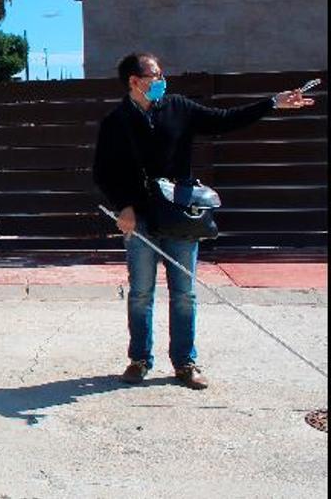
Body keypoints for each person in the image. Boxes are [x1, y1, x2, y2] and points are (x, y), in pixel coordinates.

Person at [92, 52, 314, 390]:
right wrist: (123, 207)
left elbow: (224, 119)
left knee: (184, 294)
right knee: (140, 293)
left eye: (162, 73)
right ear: (135, 82)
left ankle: (185, 363)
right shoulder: (115, 121)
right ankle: (139, 359)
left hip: (181, 216)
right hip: (140, 222)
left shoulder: (179, 107)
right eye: (155, 75)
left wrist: (272, 103)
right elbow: (102, 172)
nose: (162, 80)